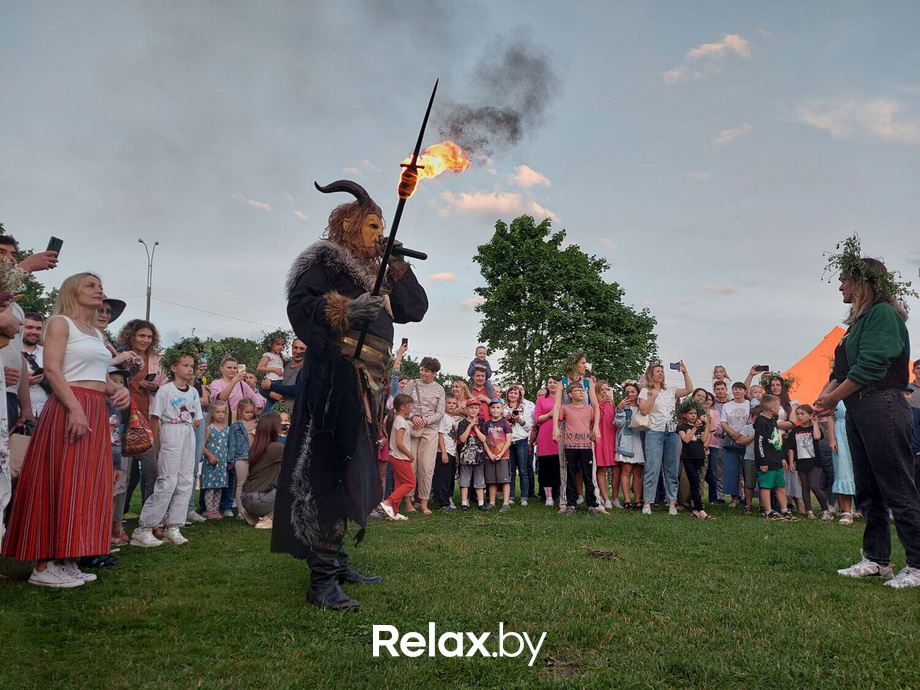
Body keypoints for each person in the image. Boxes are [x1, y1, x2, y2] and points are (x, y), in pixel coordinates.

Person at [271, 178, 427, 611]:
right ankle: (321, 580)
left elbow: (415, 309)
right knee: (329, 471)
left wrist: (397, 265)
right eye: (372, 227)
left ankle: (336, 561)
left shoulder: (379, 269)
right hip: (334, 377)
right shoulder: (324, 262)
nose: (379, 234)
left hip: (369, 386)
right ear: (348, 225)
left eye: (382, 227)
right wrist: (348, 309)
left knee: (353, 470)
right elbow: (300, 306)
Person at [2, 272, 130, 587]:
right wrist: (74, 407)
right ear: (73, 290)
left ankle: (67, 558)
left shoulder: (98, 334)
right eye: (91, 284)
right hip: (68, 406)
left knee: (86, 484)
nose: (99, 289)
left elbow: (98, 374)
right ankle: (44, 566)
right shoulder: (60, 322)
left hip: (95, 408)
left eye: (100, 284)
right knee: (59, 479)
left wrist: (117, 389)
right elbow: (52, 369)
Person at [815, 240, 920, 588]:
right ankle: (877, 560)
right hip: (860, 408)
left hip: (883, 405)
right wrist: (827, 394)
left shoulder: (882, 314)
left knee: (898, 487)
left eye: (845, 279)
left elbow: (872, 366)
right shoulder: (856, 324)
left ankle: (918, 564)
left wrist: (832, 400)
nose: (840, 285)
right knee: (869, 489)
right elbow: (844, 369)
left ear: (863, 283)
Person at [130, 352, 202, 547]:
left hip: (187, 433)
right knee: (167, 481)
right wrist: (158, 443)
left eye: (191, 366)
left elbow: (196, 419)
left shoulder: (194, 392)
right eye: (185, 365)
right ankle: (144, 527)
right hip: (170, 432)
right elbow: (155, 417)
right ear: (173, 367)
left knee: (186, 480)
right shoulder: (165, 390)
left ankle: (174, 525)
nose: (189, 369)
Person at [118, 319, 168, 510]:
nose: (146, 340)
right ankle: (119, 516)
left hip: (149, 421)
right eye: (141, 336)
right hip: (126, 419)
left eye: (149, 336)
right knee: (126, 473)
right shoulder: (121, 357)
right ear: (132, 336)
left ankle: (148, 517)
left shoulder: (157, 360)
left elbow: (165, 387)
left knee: (152, 471)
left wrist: (155, 387)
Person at [638, 361, 693, 516]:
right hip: (654, 432)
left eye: (662, 371)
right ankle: (647, 503)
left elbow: (689, 390)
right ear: (651, 374)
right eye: (657, 371)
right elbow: (643, 411)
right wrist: (653, 397)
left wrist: (684, 371)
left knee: (671, 468)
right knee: (652, 468)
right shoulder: (645, 392)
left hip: (672, 433)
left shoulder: (670, 390)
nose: (660, 373)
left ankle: (672, 503)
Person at [553, 352, 600, 508]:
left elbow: (595, 405)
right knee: (565, 466)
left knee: (590, 468)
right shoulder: (562, 383)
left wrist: (596, 427)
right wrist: (555, 428)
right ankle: (564, 502)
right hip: (566, 431)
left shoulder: (588, 383)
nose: (585, 366)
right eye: (582, 363)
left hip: (586, 431)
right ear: (573, 365)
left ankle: (596, 503)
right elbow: (557, 406)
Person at [402, 357, 445, 515]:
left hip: (430, 430)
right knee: (410, 465)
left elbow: (440, 412)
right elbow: (402, 404)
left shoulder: (439, 389)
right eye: (421, 369)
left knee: (426, 467)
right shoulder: (411, 384)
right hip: (411, 427)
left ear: (434, 373)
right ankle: (408, 502)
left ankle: (424, 502)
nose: (422, 373)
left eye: (426, 371)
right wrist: (413, 417)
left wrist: (425, 421)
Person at [557, 382, 607, 516]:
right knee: (571, 475)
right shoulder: (565, 408)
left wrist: (593, 432)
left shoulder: (589, 408)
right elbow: (558, 422)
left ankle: (592, 505)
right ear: (570, 394)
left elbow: (593, 423)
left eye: (582, 390)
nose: (581, 392)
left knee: (588, 475)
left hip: (585, 446)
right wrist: (557, 432)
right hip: (570, 446)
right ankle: (570, 504)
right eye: (577, 390)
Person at [785, 404, 831, 520]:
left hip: (814, 461)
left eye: (803, 414)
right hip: (801, 461)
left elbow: (816, 437)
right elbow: (791, 448)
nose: (799, 416)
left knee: (814, 485)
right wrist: (791, 462)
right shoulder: (795, 430)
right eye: (798, 414)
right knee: (805, 486)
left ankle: (825, 510)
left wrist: (815, 423)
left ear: (810, 415)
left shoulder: (815, 428)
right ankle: (809, 510)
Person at [241, 413, 284, 530]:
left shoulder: (256, 447)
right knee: (290, 492)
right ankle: (268, 519)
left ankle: (253, 515)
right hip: (259, 499)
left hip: (245, 497)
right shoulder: (277, 448)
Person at [377, 394, 414, 521]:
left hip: (395, 456)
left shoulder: (397, 420)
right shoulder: (401, 422)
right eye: (410, 406)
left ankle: (394, 511)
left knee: (399, 484)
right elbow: (399, 442)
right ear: (403, 407)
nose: (411, 409)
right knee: (410, 483)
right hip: (400, 457)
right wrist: (409, 454)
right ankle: (388, 502)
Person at [755, 395, 793, 520]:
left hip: (777, 459)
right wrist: (763, 461)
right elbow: (759, 444)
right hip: (767, 461)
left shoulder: (773, 421)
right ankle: (768, 511)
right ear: (771, 408)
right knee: (766, 486)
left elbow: (778, 440)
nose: (779, 408)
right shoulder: (761, 422)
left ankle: (784, 510)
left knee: (780, 486)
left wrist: (782, 457)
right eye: (778, 406)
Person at [677, 399, 714, 520]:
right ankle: (701, 510)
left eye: (694, 413)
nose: (693, 416)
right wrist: (694, 428)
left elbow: (703, 439)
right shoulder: (681, 426)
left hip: (700, 456)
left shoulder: (701, 426)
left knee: (698, 482)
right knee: (693, 481)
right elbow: (686, 439)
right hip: (688, 457)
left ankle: (696, 509)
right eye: (690, 413)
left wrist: (707, 424)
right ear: (684, 415)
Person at [719, 382, 751, 508]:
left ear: (745, 391)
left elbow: (753, 420)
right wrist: (733, 433)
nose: (737, 391)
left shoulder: (750, 404)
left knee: (748, 469)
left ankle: (748, 499)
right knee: (732, 469)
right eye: (735, 389)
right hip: (731, 439)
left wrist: (743, 434)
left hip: (748, 438)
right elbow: (723, 422)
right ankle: (734, 498)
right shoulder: (727, 405)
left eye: (740, 389)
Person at [614, 382, 645, 509]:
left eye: (633, 392)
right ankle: (627, 500)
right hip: (627, 439)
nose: (631, 394)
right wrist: (620, 409)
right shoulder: (621, 407)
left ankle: (637, 500)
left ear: (638, 393)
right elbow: (617, 423)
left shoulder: (641, 407)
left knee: (638, 471)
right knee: (626, 471)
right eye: (628, 392)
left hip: (640, 439)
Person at [227, 398, 258, 520]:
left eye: (251, 412)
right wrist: (231, 460)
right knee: (240, 484)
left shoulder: (257, 423)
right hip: (240, 457)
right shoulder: (235, 426)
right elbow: (232, 444)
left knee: (252, 484)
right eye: (247, 412)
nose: (250, 414)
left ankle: (252, 508)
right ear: (240, 411)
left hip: (254, 457)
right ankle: (241, 511)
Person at [826, 401, 856, 525]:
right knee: (843, 471)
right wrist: (832, 438)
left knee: (864, 472)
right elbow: (830, 416)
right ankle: (846, 511)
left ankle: (866, 509)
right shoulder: (836, 393)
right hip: (840, 434)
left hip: (859, 432)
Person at [480, 398, 513, 511]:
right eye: (493, 407)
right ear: (489, 409)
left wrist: (501, 453)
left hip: (503, 456)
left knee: (504, 480)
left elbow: (508, 441)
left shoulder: (505, 423)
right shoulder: (486, 424)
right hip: (489, 456)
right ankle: (492, 502)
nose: (495, 410)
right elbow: (484, 440)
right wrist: (489, 454)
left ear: (502, 409)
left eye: (498, 407)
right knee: (491, 480)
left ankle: (506, 503)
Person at [504, 384, 534, 505]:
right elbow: (501, 426)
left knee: (523, 470)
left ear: (519, 395)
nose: (513, 395)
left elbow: (528, 427)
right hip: (509, 442)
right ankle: (511, 496)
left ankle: (524, 496)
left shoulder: (524, 408)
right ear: (507, 394)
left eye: (516, 393)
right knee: (510, 471)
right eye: (511, 392)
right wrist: (505, 419)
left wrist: (519, 419)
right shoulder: (503, 408)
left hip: (521, 441)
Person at [201, 400, 230, 519]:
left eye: (223, 412)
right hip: (211, 462)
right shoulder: (209, 428)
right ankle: (209, 510)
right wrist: (209, 455)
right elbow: (202, 445)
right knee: (210, 486)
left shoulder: (227, 429)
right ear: (212, 413)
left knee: (219, 486)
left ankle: (215, 510)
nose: (220, 414)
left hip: (222, 463)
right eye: (218, 412)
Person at [534, 377, 561, 506]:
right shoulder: (541, 400)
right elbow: (537, 418)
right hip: (545, 436)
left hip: (561, 436)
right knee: (546, 468)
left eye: (555, 382)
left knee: (559, 467)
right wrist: (550, 414)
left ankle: (559, 494)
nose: (552, 384)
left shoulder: (564, 400)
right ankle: (548, 496)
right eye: (550, 382)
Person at [456, 399, 487, 511]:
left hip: (479, 457)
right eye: (471, 407)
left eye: (476, 408)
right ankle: (464, 502)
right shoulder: (462, 423)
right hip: (465, 457)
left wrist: (475, 427)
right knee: (465, 480)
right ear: (466, 409)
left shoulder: (482, 424)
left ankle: (481, 503)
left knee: (479, 480)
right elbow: (462, 439)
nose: (473, 410)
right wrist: (469, 427)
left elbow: (484, 439)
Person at [594, 380, 620, 509]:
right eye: (602, 390)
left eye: (607, 389)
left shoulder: (613, 405)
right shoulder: (595, 405)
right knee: (602, 469)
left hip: (612, 440)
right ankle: (605, 498)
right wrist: (603, 403)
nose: (605, 392)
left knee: (616, 469)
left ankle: (615, 498)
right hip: (600, 440)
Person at [433, 394, 459, 511]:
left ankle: (448, 499)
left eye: (454, 403)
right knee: (442, 479)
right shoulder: (443, 417)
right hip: (444, 451)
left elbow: (454, 438)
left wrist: (456, 455)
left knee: (449, 478)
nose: (451, 405)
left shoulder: (453, 419)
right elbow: (440, 434)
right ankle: (442, 503)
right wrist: (443, 452)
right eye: (449, 403)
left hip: (452, 452)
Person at [21, 312, 50, 418]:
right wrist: (24, 383)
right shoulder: (10, 352)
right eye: (29, 327)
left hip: (45, 414)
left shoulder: (48, 353)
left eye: (38, 328)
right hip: (18, 414)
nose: (34, 332)